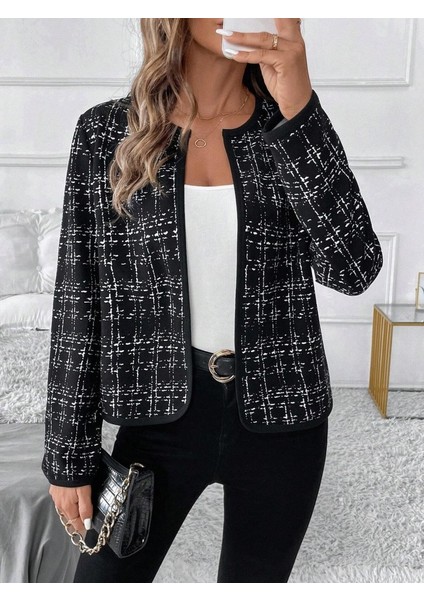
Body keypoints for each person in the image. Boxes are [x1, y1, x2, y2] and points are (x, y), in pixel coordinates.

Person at [42, 18, 383, 583]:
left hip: (282, 415)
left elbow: (354, 269)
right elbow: (79, 300)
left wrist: (300, 109)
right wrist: (66, 453)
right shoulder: (107, 132)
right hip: (156, 414)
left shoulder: (289, 128)